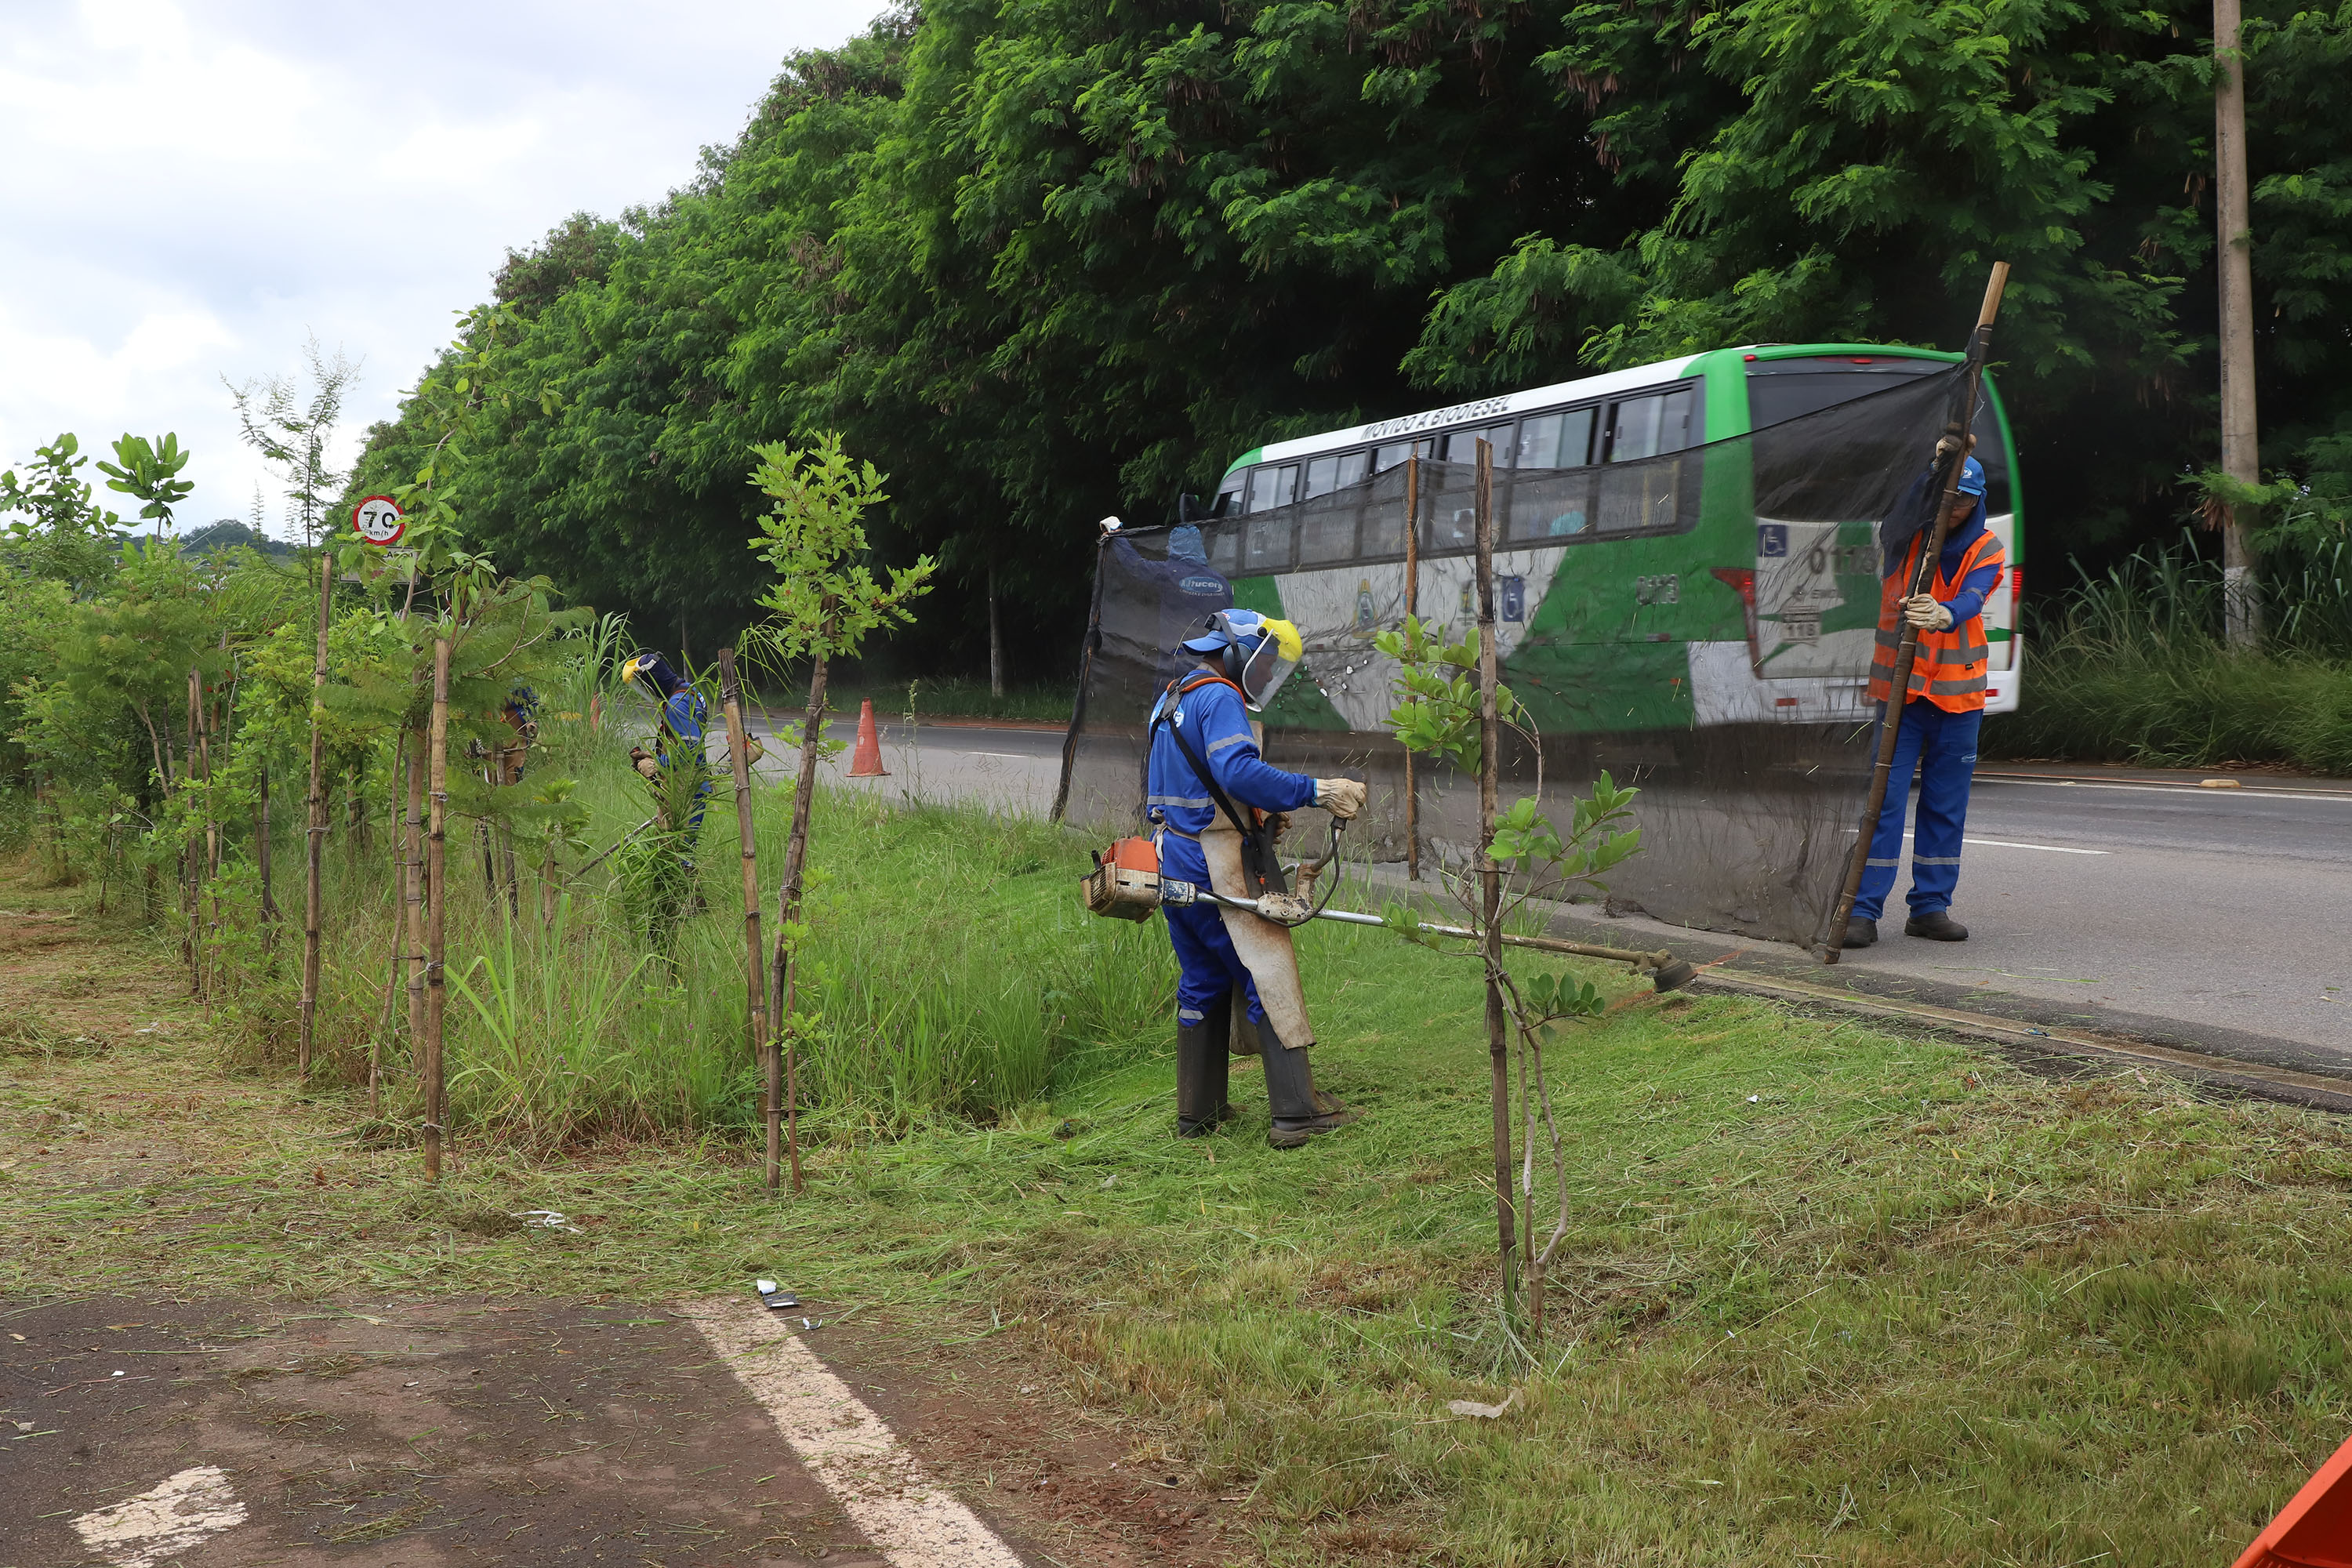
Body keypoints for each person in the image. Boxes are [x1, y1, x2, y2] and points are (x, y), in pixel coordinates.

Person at [1147, 609, 1368, 1145]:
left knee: (1202, 980)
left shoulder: (1173, 697)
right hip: (1217, 864)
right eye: (1265, 663)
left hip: (1173, 857)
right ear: (1236, 653)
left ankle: (1196, 1111)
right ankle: (1297, 1113)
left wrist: (1258, 813)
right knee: (1267, 973)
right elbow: (1237, 772)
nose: (1267, 676)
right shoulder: (1220, 697)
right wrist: (1318, 791)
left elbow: (1186, 786)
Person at [1847, 448, 2006, 947]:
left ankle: (1930, 908)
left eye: (1964, 500)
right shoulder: (1905, 540)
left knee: (1945, 805)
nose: (1953, 507)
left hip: (1959, 702)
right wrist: (1934, 473)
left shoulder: (1986, 547)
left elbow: (1975, 596)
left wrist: (1946, 613)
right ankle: (1862, 910)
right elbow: (1895, 518)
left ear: (1978, 503)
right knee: (1884, 804)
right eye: (1946, 498)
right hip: (1902, 697)